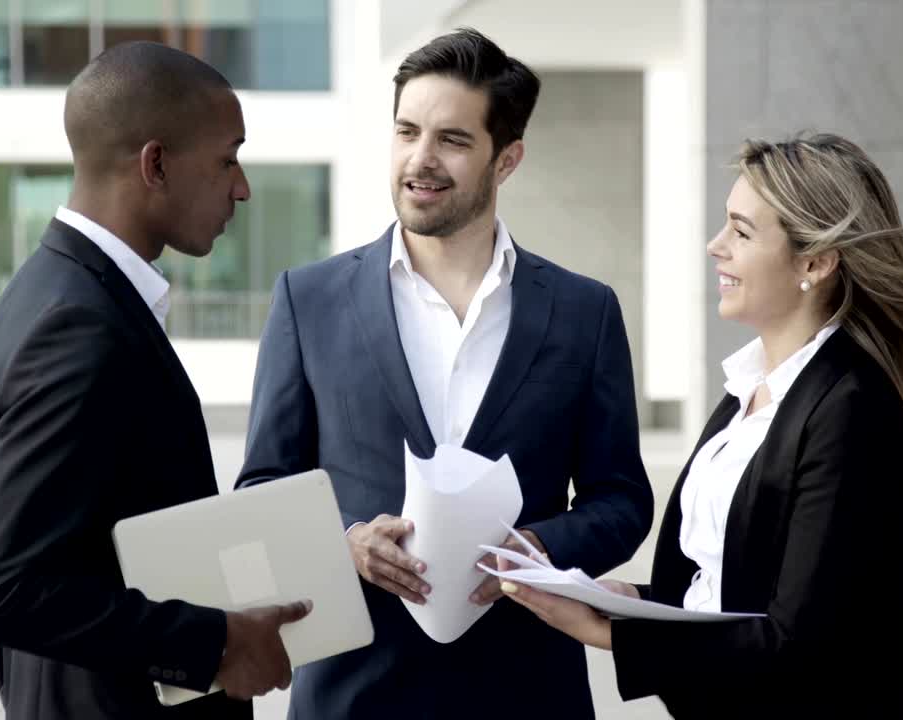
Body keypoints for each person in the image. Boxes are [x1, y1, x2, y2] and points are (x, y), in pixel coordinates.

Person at [236, 27, 654, 720]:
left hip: (527, 692)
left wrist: (541, 546)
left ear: (507, 159)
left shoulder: (585, 313)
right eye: (406, 132)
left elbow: (621, 499)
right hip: (353, 693)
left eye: (453, 141)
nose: (420, 160)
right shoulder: (307, 301)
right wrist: (345, 544)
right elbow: (263, 488)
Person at [501, 133, 903, 718]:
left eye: (741, 231)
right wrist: (633, 603)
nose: (714, 246)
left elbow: (801, 642)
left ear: (815, 261)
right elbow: (737, 588)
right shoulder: (749, 391)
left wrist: (611, 636)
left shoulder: (852, 410)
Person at [0, 41, 310, 720]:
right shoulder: (77, 324)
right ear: (155, 164)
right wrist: (215, 643)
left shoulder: (59, 291)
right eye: (227, 158)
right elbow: (12, 589)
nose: (241, 186)